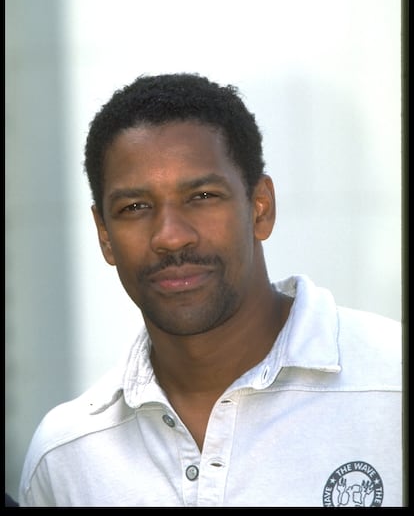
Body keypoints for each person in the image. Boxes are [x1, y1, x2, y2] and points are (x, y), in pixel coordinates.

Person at [18, 73, 403, 507]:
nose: (170, 236)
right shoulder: (66, 455)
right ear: (104, 235)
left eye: (201, 196)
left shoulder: (392, 386)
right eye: (135, 207)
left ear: (261, 208)